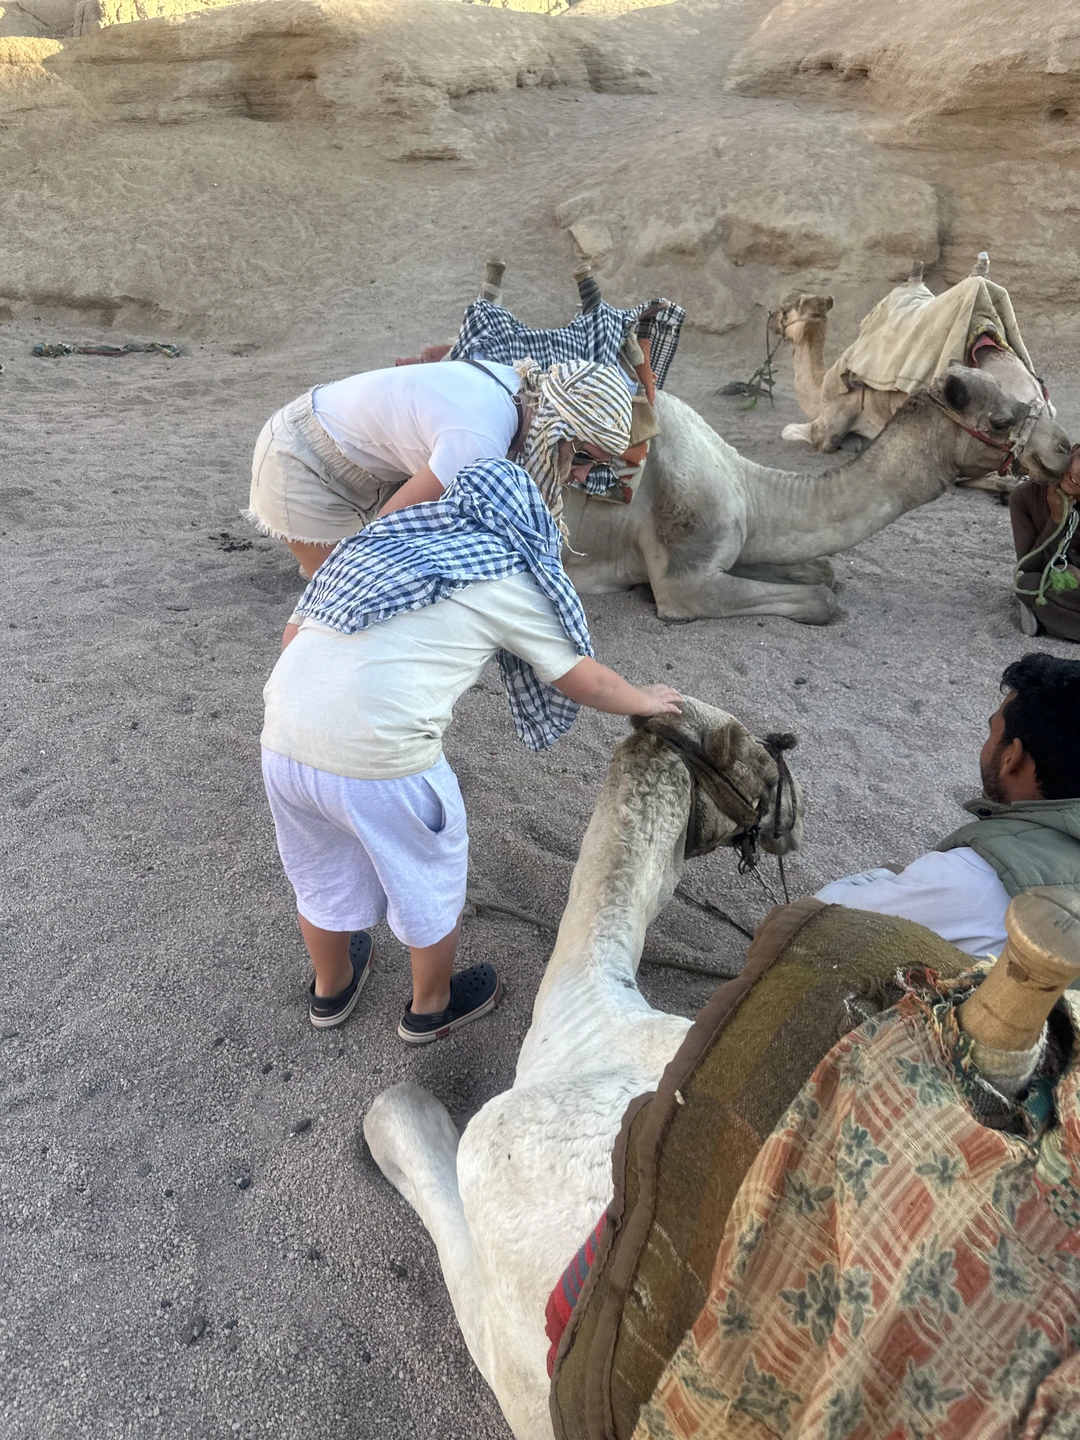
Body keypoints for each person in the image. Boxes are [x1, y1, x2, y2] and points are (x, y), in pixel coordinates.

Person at [260, 456, 682, 1041]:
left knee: (320, 872)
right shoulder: (501, 572)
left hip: (282, 742)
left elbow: (293, 636)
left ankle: (330, 990)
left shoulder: (375, 545)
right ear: (526, 521)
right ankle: (430, 1006)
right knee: (426, 873)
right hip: (386, 759)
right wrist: (644, 700)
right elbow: (577, 676)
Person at [246, 356, 635, 585]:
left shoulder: (520, 388)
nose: (582, 477)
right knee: (350, 589)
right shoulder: (479, 439)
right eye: (581, 457)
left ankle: (319, 550)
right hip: (302, 463)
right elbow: (385, 532)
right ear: (556, 427)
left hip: (356, 460)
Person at [815, 653, 1080, 959]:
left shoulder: (976, 877)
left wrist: (888, 876)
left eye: (993, 732)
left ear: (1012, 759)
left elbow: (822, 914)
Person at [1011, 446, 1080, 640]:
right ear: (1073, 451)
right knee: (1027, 584)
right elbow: (1028, 565)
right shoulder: (1025, 496)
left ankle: (1044, 620)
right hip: (1056, 585)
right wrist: (1056, 519)